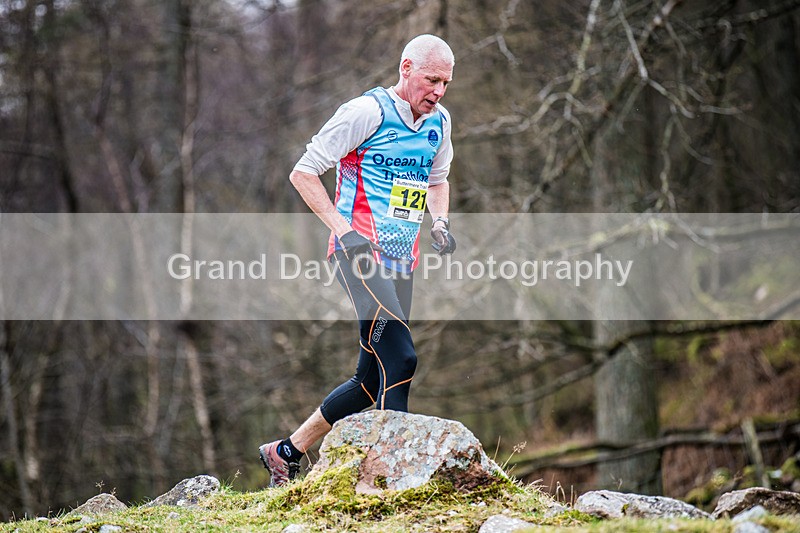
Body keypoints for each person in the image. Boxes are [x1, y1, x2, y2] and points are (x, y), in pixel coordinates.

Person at [258, 34, 458, 487]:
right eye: (432, 80)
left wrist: (440, 223)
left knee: (370, 379)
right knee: (402, 358)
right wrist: (344, 231)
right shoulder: (365, 113)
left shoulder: (439, 122)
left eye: (446, 82)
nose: (439, 91)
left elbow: (438, 179)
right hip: (359, 256)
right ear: (406, 69)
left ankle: (286, 451)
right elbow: (303, 172)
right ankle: (395, 479)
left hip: (401, 261)